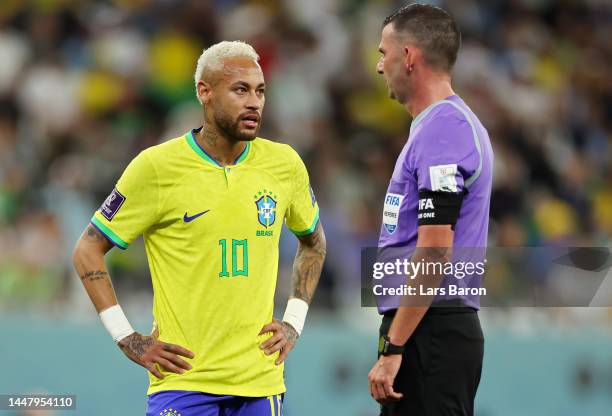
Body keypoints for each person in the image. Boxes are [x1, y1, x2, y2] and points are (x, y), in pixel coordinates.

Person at [72, 40, 326, 416]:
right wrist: (126, 337)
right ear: (204, 92)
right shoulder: (156, 168)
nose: (254, 102)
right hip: (184, 382)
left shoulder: (284, 164)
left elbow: (314, 244)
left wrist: (293, 322)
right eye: (240, 90)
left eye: (260, 91)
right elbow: (86, 250)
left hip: (261, 381)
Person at [367, 4, 493, 416]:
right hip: (428, 327)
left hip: (429, 332)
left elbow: (436, 249)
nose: (379, 66)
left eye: (384, 53)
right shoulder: (441, 126)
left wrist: (395, 345)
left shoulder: (444, 129)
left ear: (408, 56)